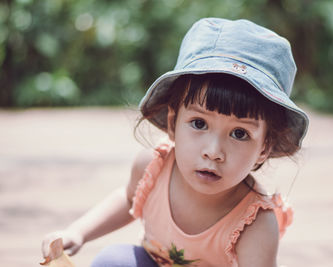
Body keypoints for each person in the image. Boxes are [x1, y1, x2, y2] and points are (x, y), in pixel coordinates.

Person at [41, 18, 309, 267]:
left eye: (239, 133)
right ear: (172, 124)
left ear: (264, 147)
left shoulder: (255, 223)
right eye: (199, 124)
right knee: (113, 260)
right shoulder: (154, 166)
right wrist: (78, 232)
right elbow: (128, 198)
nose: (213, 152)